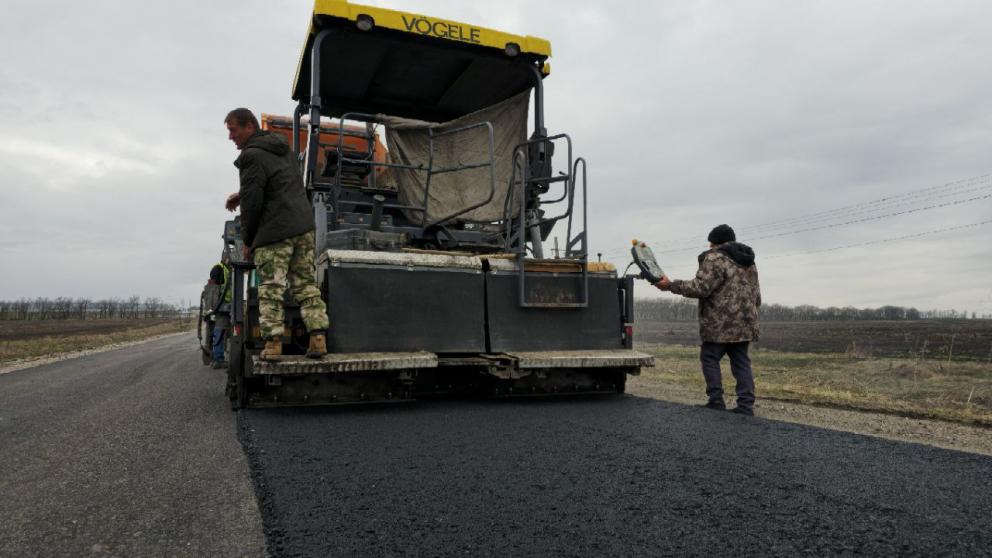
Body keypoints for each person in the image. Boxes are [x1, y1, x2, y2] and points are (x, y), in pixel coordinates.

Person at [224, 107, 328, 360]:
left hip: (275, 231)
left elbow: (253, 204)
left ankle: (272, 346)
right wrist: (242, 194)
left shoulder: (251, 156)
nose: (230, 137)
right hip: (303, 227)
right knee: (306, 285)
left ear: (249, 126)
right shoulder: (283, 149)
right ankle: (318, 339)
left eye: (233, 130)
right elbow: (280, 183)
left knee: (271, 288)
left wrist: (248, 240)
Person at [655, 224, 761, 415]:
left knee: (709, 357)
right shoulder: (748, 261)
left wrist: (671, 285)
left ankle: (716, 400)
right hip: (745, 322)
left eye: (710, 242)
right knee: (741, 362)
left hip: (720, 323)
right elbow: (757, 295)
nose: (709, 246)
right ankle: (746, 405)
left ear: (714, 242)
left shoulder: (714, 258)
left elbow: (700, 288)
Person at [208, 253, 233, 369]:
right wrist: (216, 305)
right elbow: (213, 289)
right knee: (220, 331)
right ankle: (218, 359)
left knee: (221, 332)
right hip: (221, 306)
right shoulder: (219, 268)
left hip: (225, 306)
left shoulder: (226, 269)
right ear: (226, 258)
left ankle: (216, 358)